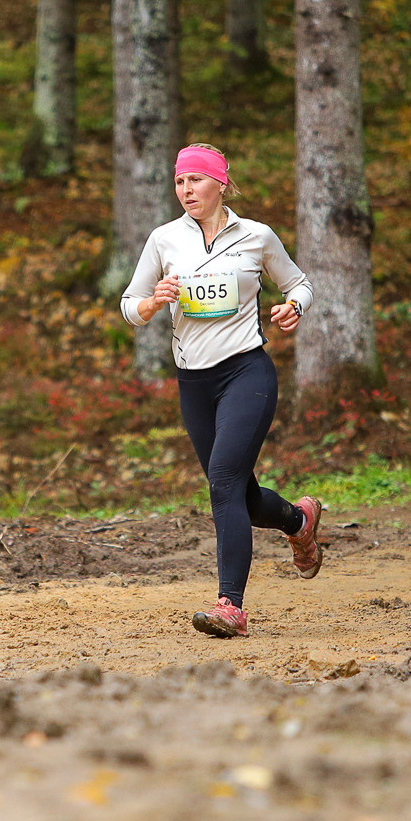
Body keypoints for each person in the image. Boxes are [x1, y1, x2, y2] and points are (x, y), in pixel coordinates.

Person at [120, 143, 324, 638]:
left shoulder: (256, 236)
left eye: (195, 180)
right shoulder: (164, 239)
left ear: (221, 184)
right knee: (240, 493)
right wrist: (153, 303)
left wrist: (293, 308)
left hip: (246, 373)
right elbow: (129, 304)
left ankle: (230, 605)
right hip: (195, 381)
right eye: (179, 182)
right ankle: (299, 521)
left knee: (223, 478)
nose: (186, 190)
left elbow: (299, 284)